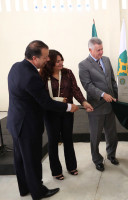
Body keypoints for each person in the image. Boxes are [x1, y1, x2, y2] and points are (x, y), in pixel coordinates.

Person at [7, 40, 78, 199]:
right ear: (34, 58)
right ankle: (38, 191)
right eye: (45, 57)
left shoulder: (16, 67)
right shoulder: (32, 76)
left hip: (15, 122)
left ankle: (24, 188)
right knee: (32, 160)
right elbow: (45, 102)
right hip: (28, 126)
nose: (48, 59)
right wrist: (68, 107)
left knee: (20, 159)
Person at [40, 50, 93, 180]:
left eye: (62, 60)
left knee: (68, 139)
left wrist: (84, 102)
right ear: (50, 62)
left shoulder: (67, 73)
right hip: (51, 113)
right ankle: (56, 171)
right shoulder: (41, 76)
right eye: (58, 61)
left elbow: (75, 89)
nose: (61, 63)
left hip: (68, 112)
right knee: (53, 142)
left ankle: (71, 166)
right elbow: (42, 97)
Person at [79, 37, 119, 172]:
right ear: (90, 49)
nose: (101, 52)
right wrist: (102, 94)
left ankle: (111, 155)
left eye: (102, 49)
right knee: (95, 136)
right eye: (98, 50)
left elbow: (112, 80)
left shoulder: (106, 60)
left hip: (110, 105)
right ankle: (97, 160)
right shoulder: (83, 65)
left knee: (112, 134)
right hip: (96, 106)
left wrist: (117, 95)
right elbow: (87, 85)